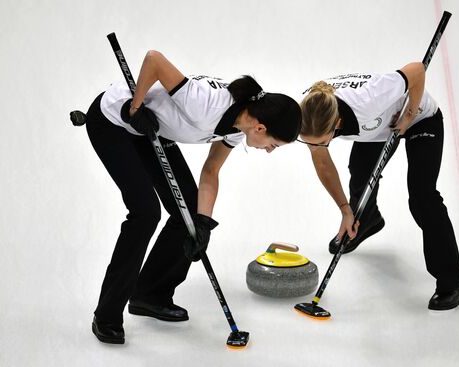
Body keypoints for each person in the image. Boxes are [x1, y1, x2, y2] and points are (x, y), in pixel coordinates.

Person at [84, 50, 302, 344]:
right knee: (145, 213)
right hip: (112, 120)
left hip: (149, 131)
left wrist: (202, 223)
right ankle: (106, 315)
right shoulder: (205, 105)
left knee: (186, 211)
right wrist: (135, 109)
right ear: (261, 128)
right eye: (273, 144)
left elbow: (211, 170)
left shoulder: (239, 127)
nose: (269, 150)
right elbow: (154, 60)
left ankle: (150, 294)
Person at [298, 62, 459, 311]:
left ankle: (453, 283)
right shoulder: (308, 113)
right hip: (378, 126)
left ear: (336, 124)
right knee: (360, 173)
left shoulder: (369, 100)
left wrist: (409, 115)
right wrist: (346, 209)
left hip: (420, 118)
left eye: (321, 142)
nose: (316, 148)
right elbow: (322, 163)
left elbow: (417, 70)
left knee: (423, 197)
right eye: (309, 144)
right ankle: (367, 220)